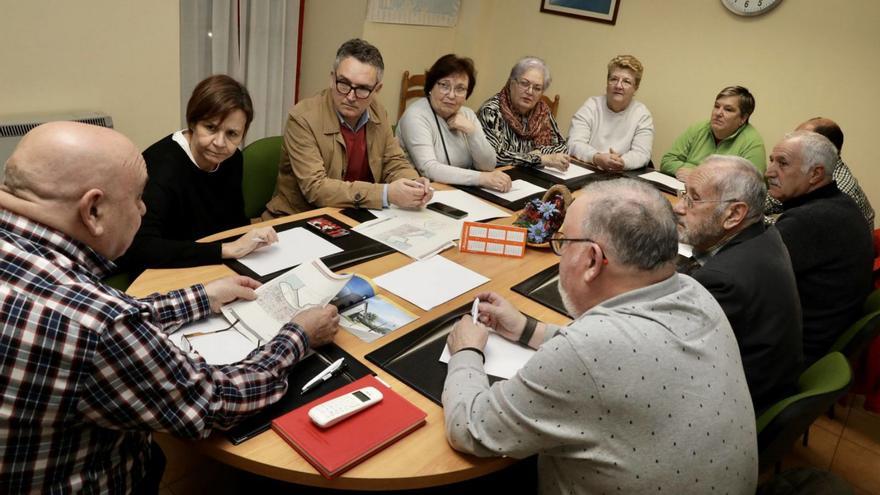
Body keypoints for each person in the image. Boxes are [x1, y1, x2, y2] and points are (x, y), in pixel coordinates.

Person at [0, 122, 340, 493]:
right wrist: (298, 335)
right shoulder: (102, 324)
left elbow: (80, 307)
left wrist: (201, 297)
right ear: (93, 209)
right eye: (138, 199)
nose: (144, 210)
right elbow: (216, 402)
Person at [443, 178, 757, 494]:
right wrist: (526, 329)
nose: (559, 252)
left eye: (564, 241)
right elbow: (613, 360)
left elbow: (469, 429)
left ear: (592, 261)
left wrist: (466, 351)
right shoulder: (696, 292)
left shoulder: (587, 350)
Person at [674, 155, 802, 413]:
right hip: (757, 379)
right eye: (683, 194)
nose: (678, 207)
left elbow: (668, 353)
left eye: (693, 198)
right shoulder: (763, 233)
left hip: (731, 406)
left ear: (734, 214)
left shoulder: (724, 280)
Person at [117, 75, 278, 275]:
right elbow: (140, 248)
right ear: (193, 122)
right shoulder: (160, 166)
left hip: (209, 261)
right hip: (160, 271)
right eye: (210, 128)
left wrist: (252, 241)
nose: (220, 142)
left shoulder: (232, 159)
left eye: (232, 134)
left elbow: (234, 221)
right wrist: (226, 250)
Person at [263, 38, 431, 218]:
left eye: (363, 89)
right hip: (303, 216)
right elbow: (316, 189)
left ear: (377, 90)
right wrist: (385, 194)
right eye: (343, 83)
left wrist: (414, 183)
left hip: (356, 214)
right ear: (331, 78)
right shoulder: (303, 118)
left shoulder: (378, 111)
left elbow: (393, 161)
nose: (350, 96)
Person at [766, 131, 873, 365]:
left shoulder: (809, 220)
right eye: (771, 160)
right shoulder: (840, 203)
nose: (769, 172)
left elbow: (747, 275)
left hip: (792, 353)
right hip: (818, 336)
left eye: (782, 163)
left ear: (815, 174)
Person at [396, 54, 509, 191]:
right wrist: (481, 178)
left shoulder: (467, 114)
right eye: (444, 85)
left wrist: (473, 133)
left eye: (460, 89)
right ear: (431, 87)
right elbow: (429, 169)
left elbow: (488, 166)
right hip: (423, 192)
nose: (451, 95)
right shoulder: (415, 116)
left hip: (459, 191)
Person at [765, 117, 874, 228]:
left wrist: (751, 216)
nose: (768, 173)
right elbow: (773, 202)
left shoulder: (839, 188)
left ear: (822, 147)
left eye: (803, 137)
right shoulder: (806, 178)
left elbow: (798, 227)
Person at [477, 56, 570, 171]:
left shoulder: (543, 112)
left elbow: (562, 148)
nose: (530, 92)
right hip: (500, 177)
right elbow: (495, 156)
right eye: (525, 84)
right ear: (511, 83)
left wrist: (538, 153)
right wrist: (539, 159)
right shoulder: (491, 111)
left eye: (537, 88)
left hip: (533, 176)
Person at [660, 86, 766, 181]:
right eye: (716, 106)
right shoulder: (699, 128)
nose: (718, 113)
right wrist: (682, 171)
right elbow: (667, 160)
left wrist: (696, 175)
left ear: (743, 118)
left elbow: (751, 186)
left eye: (728, 109)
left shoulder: (753, 143)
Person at [568, 55, 654, 171]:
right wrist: (596, 157)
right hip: (588, 168)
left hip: (621, 175)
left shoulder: (642, 114)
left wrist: (622, 162)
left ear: (635, 88)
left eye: (626, 81)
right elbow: (574, 143)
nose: (618, 86)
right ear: (607, 82)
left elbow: (642, 154)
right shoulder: (591, 105)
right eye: (614, 79)